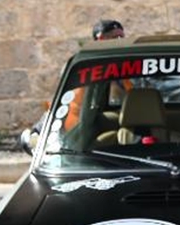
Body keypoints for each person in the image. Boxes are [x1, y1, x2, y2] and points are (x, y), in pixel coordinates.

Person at [20, 19, 126, 151]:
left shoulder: (131, 63)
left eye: (121, 37)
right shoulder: (83, 68)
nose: (119, 40)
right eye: (113, 37)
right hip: (80, 138)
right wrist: (40, 131)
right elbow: (66, 101)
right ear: (99, 39)